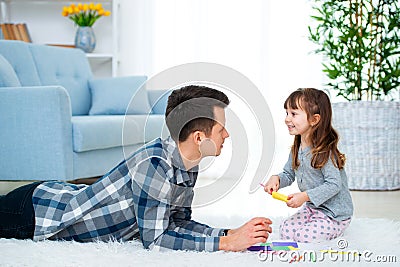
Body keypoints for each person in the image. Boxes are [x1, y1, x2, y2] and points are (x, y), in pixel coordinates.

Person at [0, 85, 272, 251]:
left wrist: (227, 233)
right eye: (222, 129)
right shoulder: (154, 165)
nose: (228, 135)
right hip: (37, 214)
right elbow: (155, 241)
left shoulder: (188, 164)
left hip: (55, 195)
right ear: (199, 137)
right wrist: (226, 245)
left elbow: (177, 222)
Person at [263, 88, 353, 243]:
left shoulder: (325, 151)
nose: (287, 119)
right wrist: (277, 178)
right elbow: (289, 174)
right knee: (285, 229)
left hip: (334, 214)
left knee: (303, 237)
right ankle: (313, 222)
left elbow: (334, 184)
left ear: (314, 120)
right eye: (287, 113)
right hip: (313, 208)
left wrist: (304, 196)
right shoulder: (297, 147)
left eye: (294, 114)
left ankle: (334, 228)